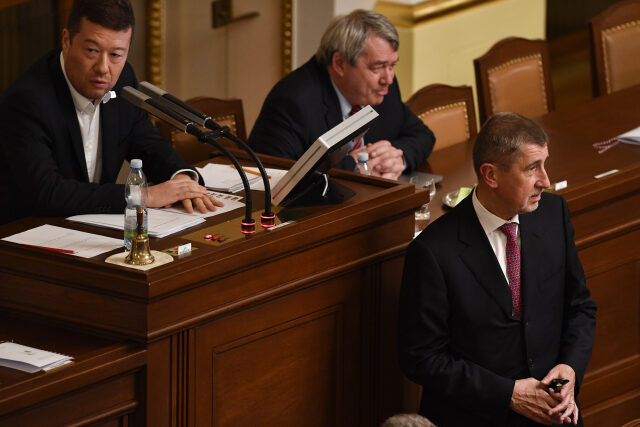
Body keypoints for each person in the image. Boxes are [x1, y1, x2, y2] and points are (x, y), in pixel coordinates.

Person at [398, 112, 597, 426]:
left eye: (544, 164)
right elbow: (421, 358)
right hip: (476, 416)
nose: (545, 180)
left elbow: (580, 307)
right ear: (491, 175)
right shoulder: (433, 252)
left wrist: (570, 367)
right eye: (532, 168)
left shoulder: (554, 214)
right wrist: (508, 394)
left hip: (555, 413)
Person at [0, 0, 222, 225]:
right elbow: (48, 192)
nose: (103, 68)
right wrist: (143, 196)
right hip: (26, 234)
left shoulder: (123, 79)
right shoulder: (26, 101)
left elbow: (146, 141)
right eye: (92, 51)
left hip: (92, 227)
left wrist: (181, 179)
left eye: (116, 54)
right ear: (67, 41)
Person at [248, 9, 434, 180]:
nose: (388, 78)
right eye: (377, 67)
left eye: (392, 66)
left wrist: (397, 158)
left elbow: (422, 135)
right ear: (340, 64)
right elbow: (276, 181)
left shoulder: (382, 89)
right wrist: (354, 169)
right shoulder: (292, 103)